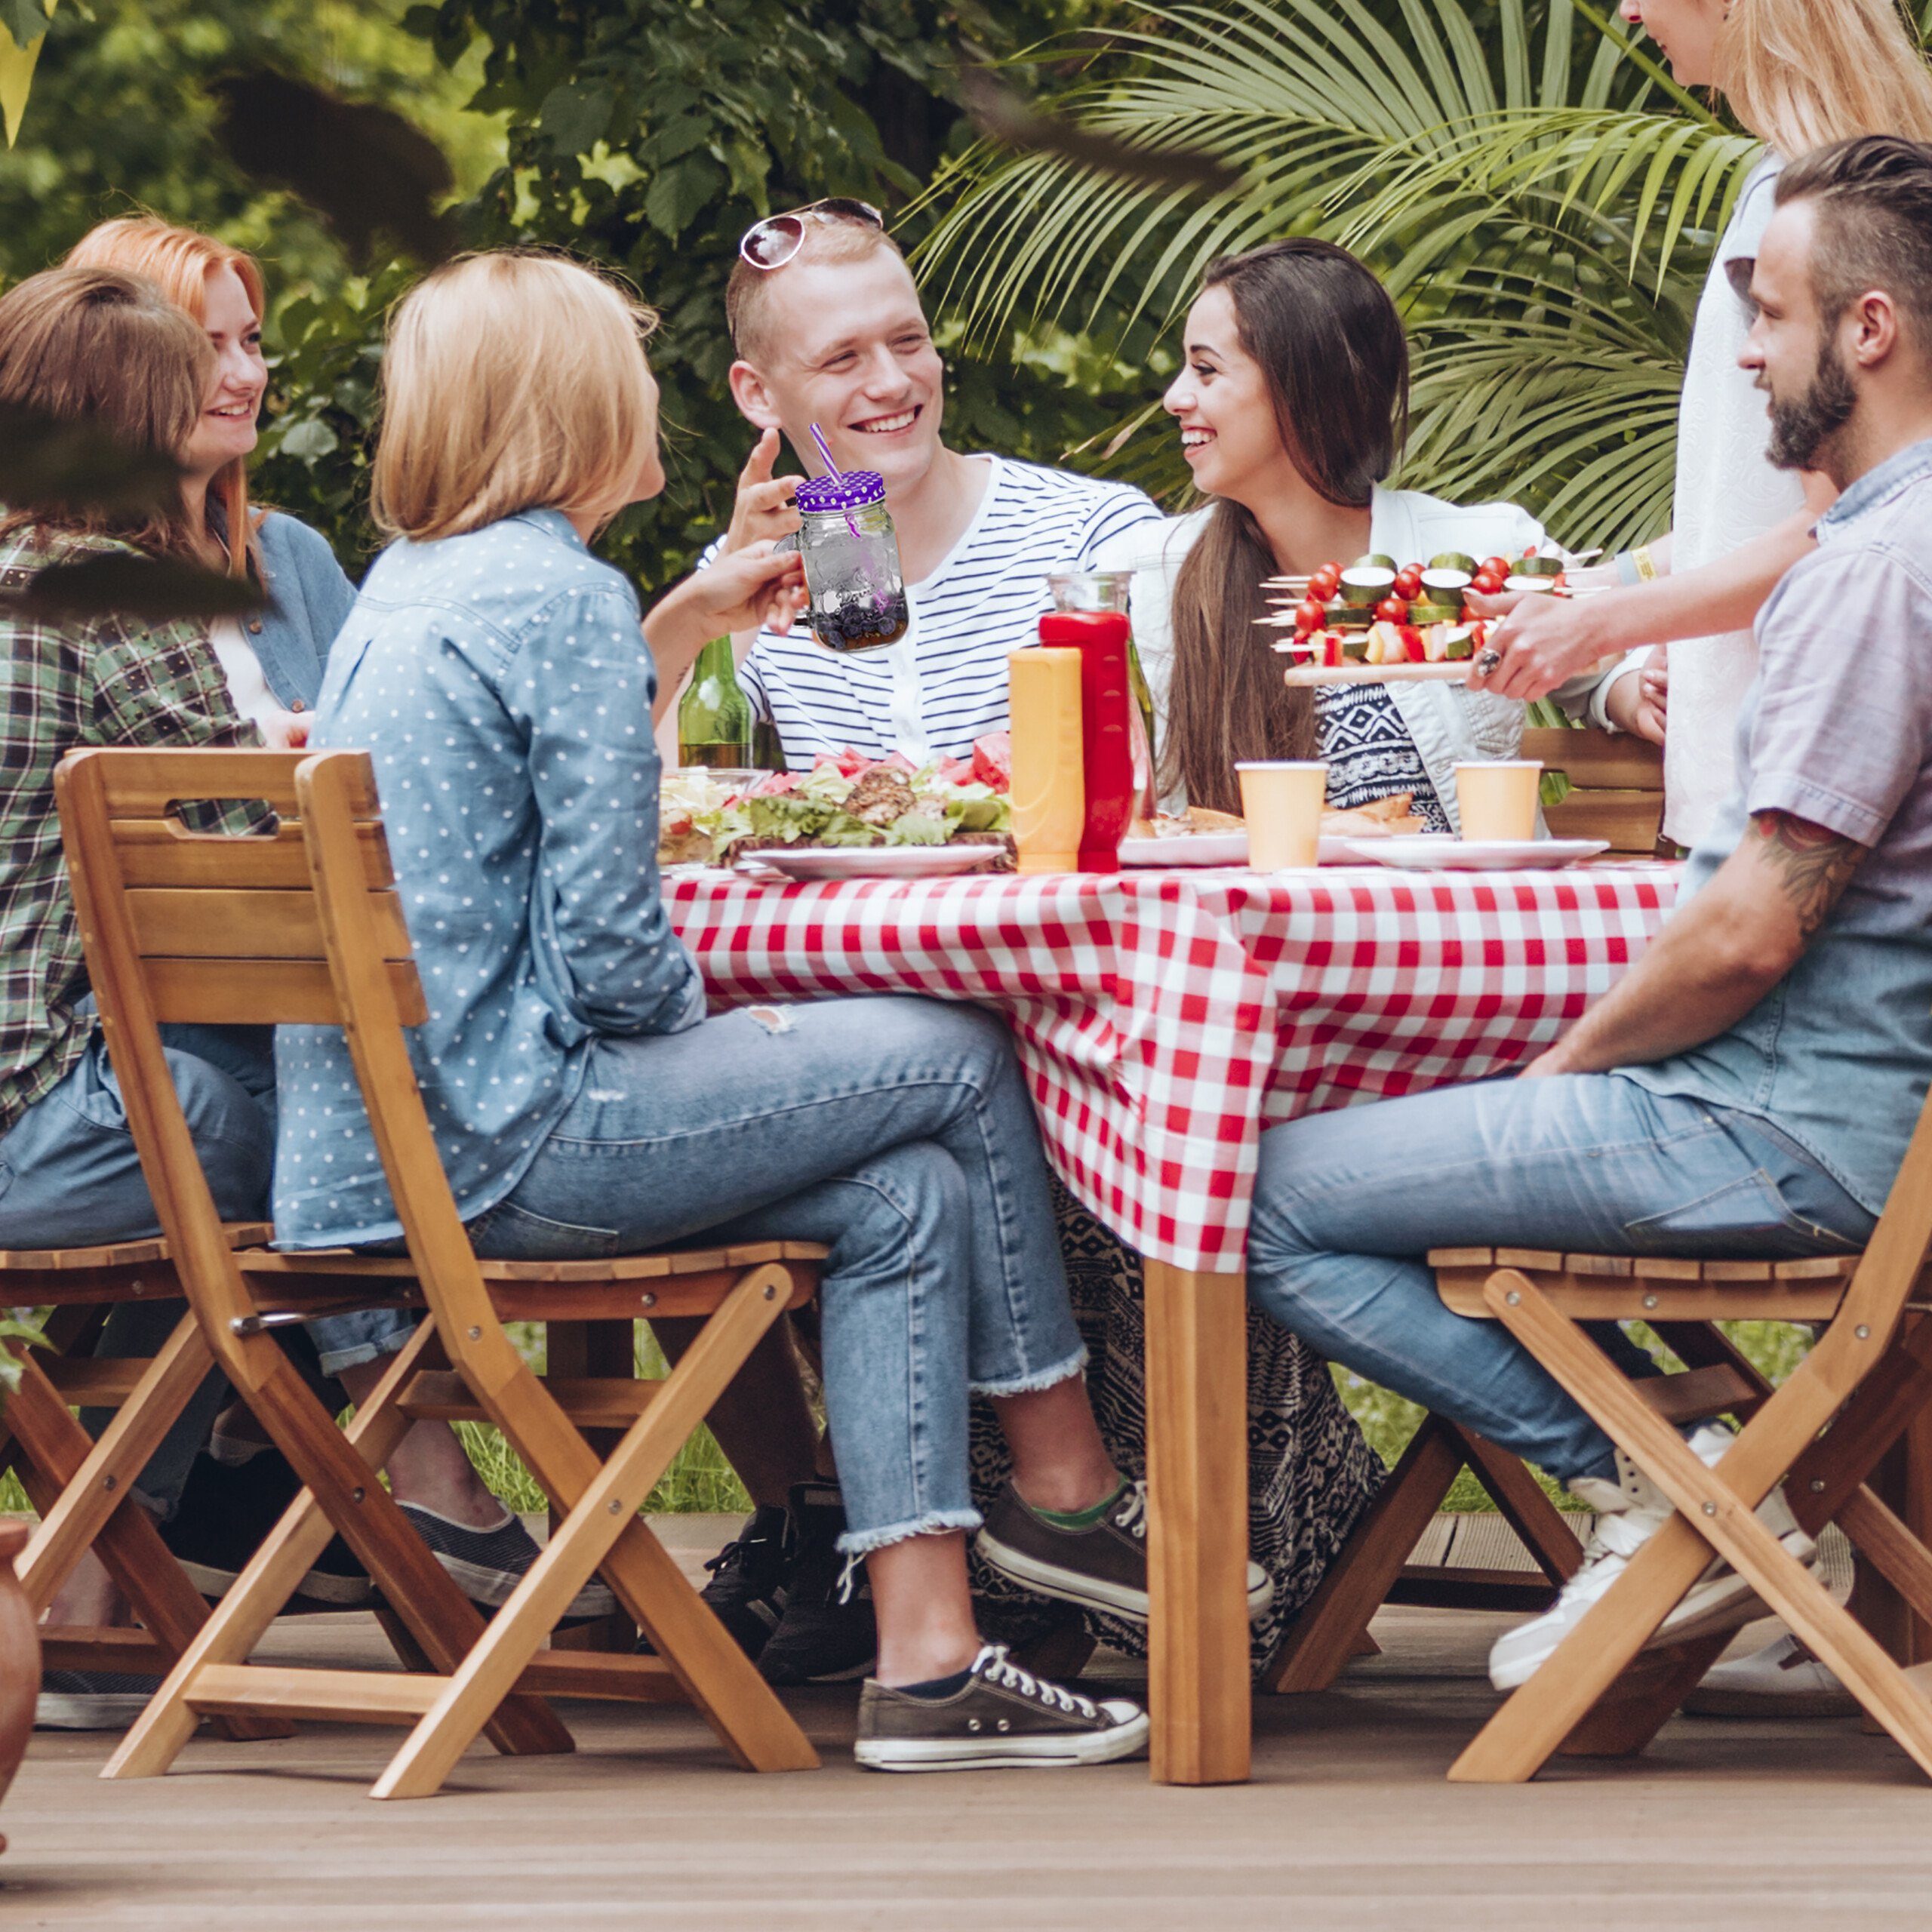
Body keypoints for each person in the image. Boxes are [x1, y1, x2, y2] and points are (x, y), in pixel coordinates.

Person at [275, 248, 1258, 1770]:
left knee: (900, 1187)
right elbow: (612, 960)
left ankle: (930, 1659)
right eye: (624, 364)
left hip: (386, 1149)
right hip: (512, 1139)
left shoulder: (419, 582)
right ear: (570, 400)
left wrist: (679, 621)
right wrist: (725, 1036)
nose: (647, 389)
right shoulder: (558, 596)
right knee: (948, 1045)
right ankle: (1063, 1483)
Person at [1239, 133, 1932, 1693]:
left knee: (1256, 1190)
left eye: (1768, 311)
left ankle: (1658, 1492)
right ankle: (1696, 1486)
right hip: (1857, 1118)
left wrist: (1568, 1068)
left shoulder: (1873, 571)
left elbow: (1753, 925)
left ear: (1867, 331)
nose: (1745, 348)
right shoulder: (1881, 542)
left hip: (1785, 1125)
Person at [1472, 0, 1932, 852]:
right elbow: (1753, 510)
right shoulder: (1840, 191)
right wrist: (1585, 592)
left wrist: (1600, 628)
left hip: (1785, 795)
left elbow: (1846, 521)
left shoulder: (1794, 208)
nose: (1627, 10)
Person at [1096, 238, 1651, 829]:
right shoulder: (1146, 575)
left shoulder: (1480, 551)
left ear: (1302, 387)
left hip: (1462, 915)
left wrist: (1633, 694)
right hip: (1249, 919)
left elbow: (1606, 658)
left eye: (1205, 370)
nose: (1174, 398)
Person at [694, 198, 1165, 768]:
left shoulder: (1091, 534)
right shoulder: (745, 571)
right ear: (758, 395)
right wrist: (721, 605)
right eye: (843, 359)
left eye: (908, 341)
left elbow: (1167, 769)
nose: (892, 382)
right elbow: (658, 798)